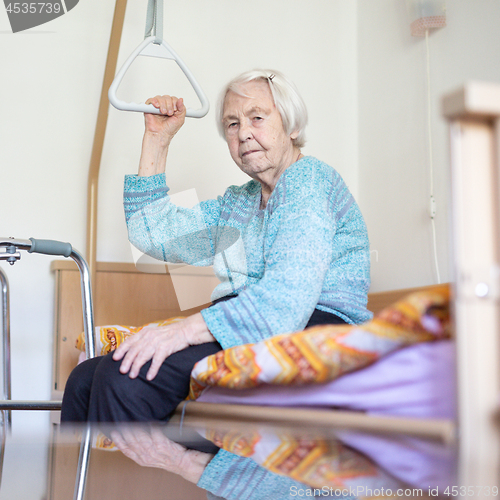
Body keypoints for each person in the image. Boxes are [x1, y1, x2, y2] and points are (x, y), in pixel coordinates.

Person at [61, 69, 372, 422]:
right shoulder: (240, 203)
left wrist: (182, 331)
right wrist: (157, 139)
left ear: (292, 126)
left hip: (313, 333)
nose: (244, 134)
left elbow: (286, 302)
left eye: (257, 117)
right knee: (85, 380)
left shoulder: (309, 180)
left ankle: (188, 465)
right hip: (250, 329)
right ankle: (85, 477)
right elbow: (153, 233)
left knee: (126, 377)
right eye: (232, 124)